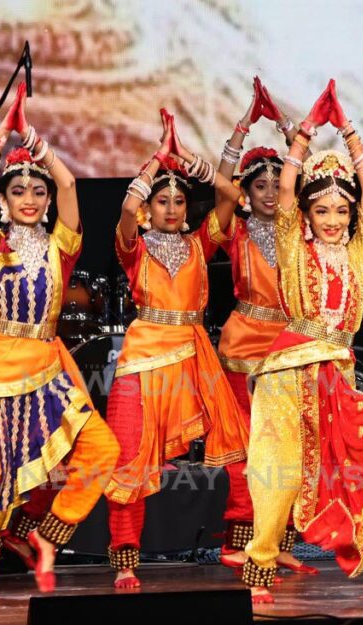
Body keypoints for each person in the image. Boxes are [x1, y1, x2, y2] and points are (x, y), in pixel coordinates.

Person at [240, 81, 363, 604]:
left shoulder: (360, 250)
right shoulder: (292, 243)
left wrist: (347, 128)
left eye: (339, 212)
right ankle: (258, 573)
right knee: (277, 474)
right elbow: (285, 193)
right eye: (321, 211)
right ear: (307, 214)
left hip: (336, 373)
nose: (332, 220)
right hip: (287, 372)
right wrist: (303, 136)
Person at [0, 83, 119, 599]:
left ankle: (50, 536)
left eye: (38, 191)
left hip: (45, 372)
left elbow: (71, 186)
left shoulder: (60, 247)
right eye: (19, 192)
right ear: (4, 200)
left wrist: (38, 141)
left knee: (102, 450)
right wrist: (4, 136)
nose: (31, 199)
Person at [104, 112, 248, 588]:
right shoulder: (136, 248)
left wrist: (189, 161)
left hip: (192, 357)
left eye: (178, 201)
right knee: (128, 461)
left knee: (240, 446)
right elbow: (127, 212)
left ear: (188, 207)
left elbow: (232, 197)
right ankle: (125, 558)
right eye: (161, 201)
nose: (169, 208)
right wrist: (155, 163)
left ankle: (241, 543)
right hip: (143, 359)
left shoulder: (200, 243)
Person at [210, 80, 316, 574]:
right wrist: (244, 127)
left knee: (288, 445)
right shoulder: (236, 230)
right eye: (261, 185)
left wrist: (288, 129)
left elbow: (309, 181)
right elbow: (221, 183)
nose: (272, 191)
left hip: (289, 346)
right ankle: (237, 538)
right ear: (247, 194)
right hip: (243, 344)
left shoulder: (302, 230)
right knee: (245, 446)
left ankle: (278, 539)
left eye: (278, 183)